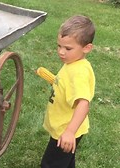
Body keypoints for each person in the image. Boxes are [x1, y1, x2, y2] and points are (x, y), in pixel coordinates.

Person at [39, 15, 96, 168]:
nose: (61, 52)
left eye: (68, 48)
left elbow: (83, 104)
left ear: (87, 48)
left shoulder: (78, 72)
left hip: (66, 130)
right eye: (59, 46)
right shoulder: (73, 63)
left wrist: (69, 132)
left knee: (50, 165)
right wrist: (55, 80)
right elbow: (67, 87)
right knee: (65, 162)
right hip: (65, 128)